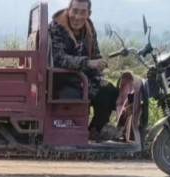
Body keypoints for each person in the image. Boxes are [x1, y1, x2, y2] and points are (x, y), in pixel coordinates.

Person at [50, 0, 119, 140]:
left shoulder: (89, 28)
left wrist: (100, 72)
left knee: (110, 91)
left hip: (83, 77)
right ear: (68, 10)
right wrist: (87, 63)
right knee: (85, 96)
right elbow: (59, 58)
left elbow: (95, 54)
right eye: (75, 11)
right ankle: (73, 136)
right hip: (63, 78)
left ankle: (94, 130)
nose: (77, 17)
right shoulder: (56, 27)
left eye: (82, 12)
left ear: (89, 14)